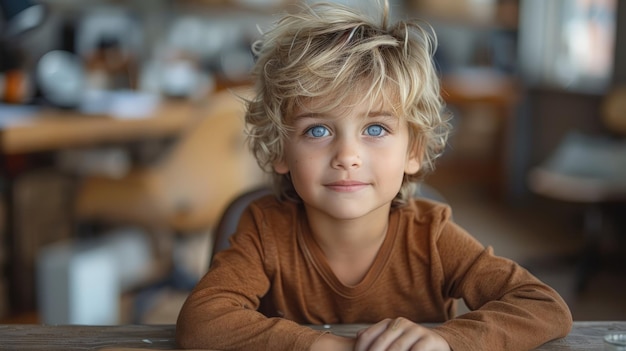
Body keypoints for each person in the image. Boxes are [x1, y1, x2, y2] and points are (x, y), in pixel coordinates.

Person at [175, 1, 573, 350]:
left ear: (413, 151)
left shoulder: (431, 237)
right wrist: (323, 346)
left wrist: (448, 340)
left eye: (376, 129)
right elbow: (200, 323)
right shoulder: (264, 230)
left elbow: (544, 306)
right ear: (281, 150)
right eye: (318, 130)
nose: (347, 156)